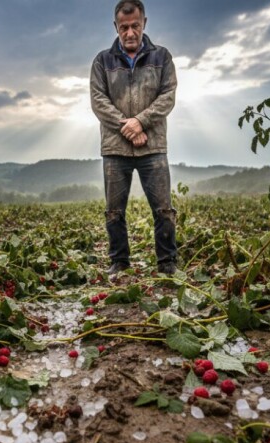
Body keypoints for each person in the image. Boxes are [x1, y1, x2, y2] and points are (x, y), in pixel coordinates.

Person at [90, 0, 178, 275]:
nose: (130, 33)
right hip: (115, 149)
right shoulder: (102, 61)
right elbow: (98, 101)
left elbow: (167, 97)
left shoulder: (162, 57)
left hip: (153, 147)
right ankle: (119, 263)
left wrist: (140, 122)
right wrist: (127, 126)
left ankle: (167, 264)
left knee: (164, 209)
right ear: (116, 26)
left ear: (144, 23)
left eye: (135, 26)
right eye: (124, 27)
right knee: (114, 211)